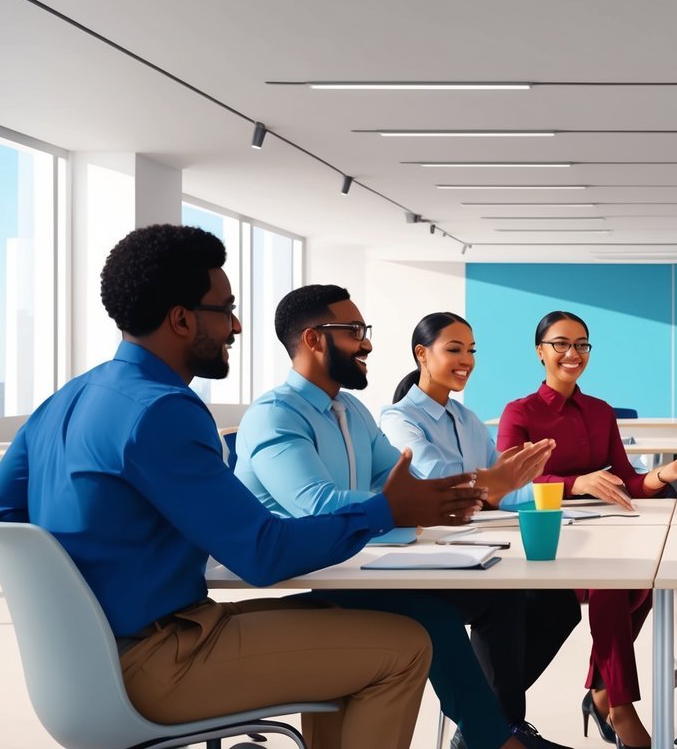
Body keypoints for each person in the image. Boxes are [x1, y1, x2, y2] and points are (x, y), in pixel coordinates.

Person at [0, 225, 442, 749]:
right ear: (181, 319)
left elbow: (0, 517)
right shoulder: (163, 410)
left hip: (78, 667)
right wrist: (383, 511)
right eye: (226, 309)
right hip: (155, 662)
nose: (237, 325)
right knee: (404, 647)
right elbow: (262, 555)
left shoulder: (63, 400)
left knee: (351, 615)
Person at [235, 286, 565, 749]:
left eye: (364, 331)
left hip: (351, 569)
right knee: (429, 612)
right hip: (303, 574)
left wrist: (483, 488)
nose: (366, 342)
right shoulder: (274, 417)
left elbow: (402, 482)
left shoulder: (351, 411)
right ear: (313, 340)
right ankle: (495, 741)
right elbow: (318, 506)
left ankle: (494, 730)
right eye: (354, 332)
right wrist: (458, 495)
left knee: (501, 596)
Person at [496, 310, 677, 749]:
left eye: (581, 344)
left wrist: (664, 474)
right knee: (614, 585)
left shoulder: (599, 412)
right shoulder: (519, 412)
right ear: (540, 352)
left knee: (650, 580)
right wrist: (575, 483)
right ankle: (618, 704)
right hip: (547, 540)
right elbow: (508, 484)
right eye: (560, 344)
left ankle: (600, 691)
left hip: (603, 533)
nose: (572, 353)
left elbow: (626, 480)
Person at [379, 311, 583, 742]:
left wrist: (567, 495)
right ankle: (499, 728)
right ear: (422, 354)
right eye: (454, 349)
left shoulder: (467, 418)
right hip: (426, 554)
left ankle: (487, 726)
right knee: (507, 598)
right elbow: (445, 485)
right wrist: (494, 484)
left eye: (471, 351)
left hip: (475, 547)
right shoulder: (399, 419)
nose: (466, 360)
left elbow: (501, 488)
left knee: (559, 604)